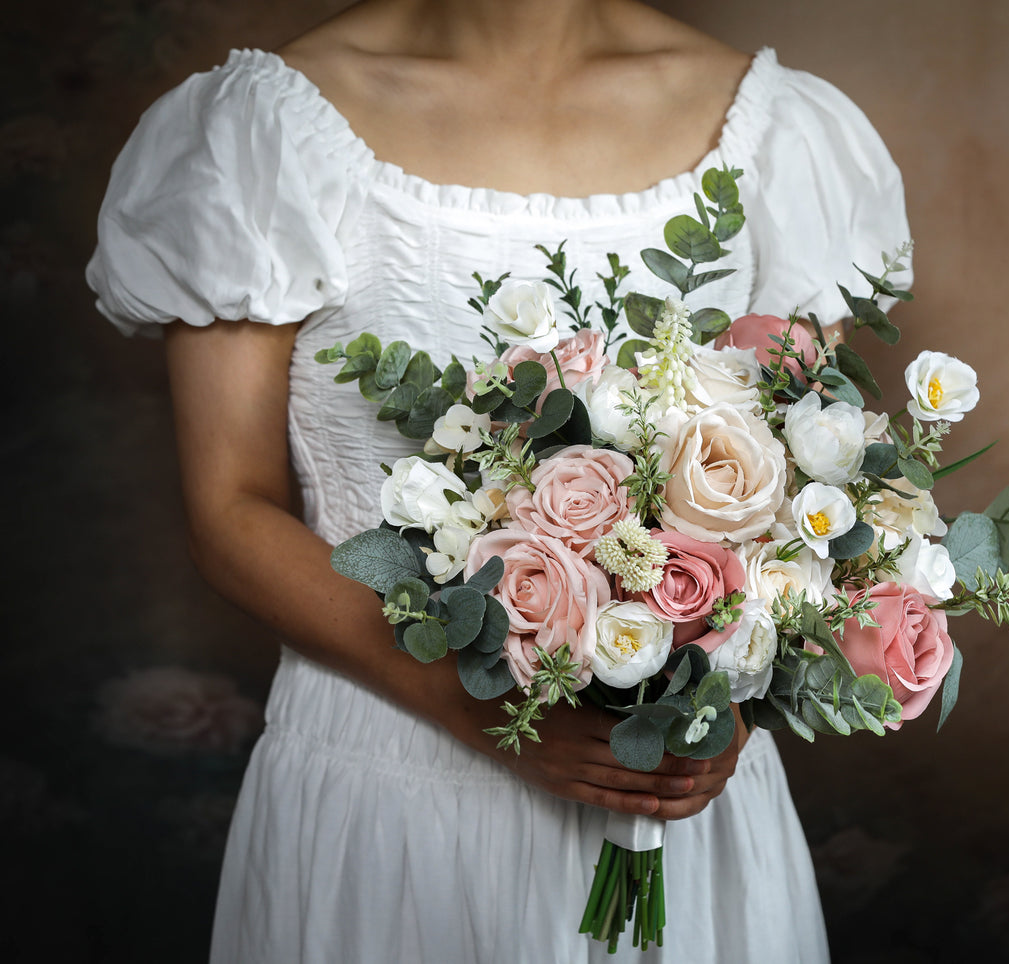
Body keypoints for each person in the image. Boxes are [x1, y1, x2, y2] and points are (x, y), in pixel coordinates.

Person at [86, 1, 910, 960]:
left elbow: (797, 488)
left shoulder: (782, 136)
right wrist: (472, 704)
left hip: (671, 803)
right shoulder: (259, 133)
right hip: (387, 779)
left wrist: (723, 705)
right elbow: (230, 510)